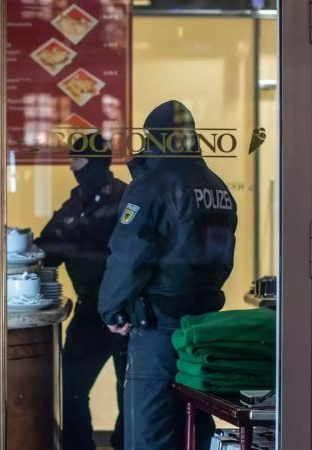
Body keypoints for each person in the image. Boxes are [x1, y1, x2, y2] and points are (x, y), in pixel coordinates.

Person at [98, 100, 238, 450]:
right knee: (195, 426)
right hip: (201, 329)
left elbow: (129, 255)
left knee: (151, 432)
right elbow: (224, 259)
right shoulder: (218, 187)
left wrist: (112, 309)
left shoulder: (151, 186)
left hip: (157, 328)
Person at [34, 133, 129, 450]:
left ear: (96, 163)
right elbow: (47, 251)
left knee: (128, 390)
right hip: (90, 310)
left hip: (127, 312)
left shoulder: (125, 200)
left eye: (79, 160)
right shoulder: (75, 203)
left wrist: (72, 241)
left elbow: (131, 254)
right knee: (70, 387)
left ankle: (122, 445)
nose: (73, 166)